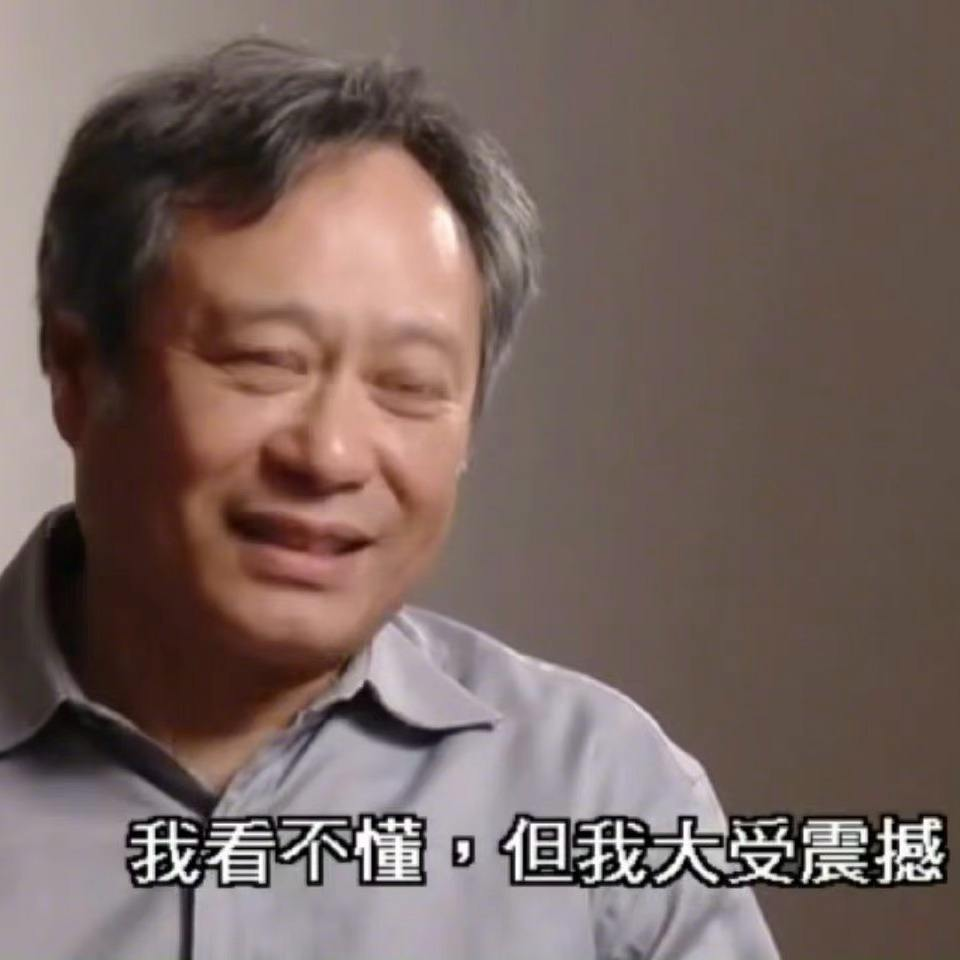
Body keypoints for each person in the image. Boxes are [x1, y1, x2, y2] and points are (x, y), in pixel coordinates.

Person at [0, 37, 779, 958]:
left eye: (409, 385)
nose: (329, 455)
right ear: (78, 373)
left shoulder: (601, 794)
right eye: (264, 362)